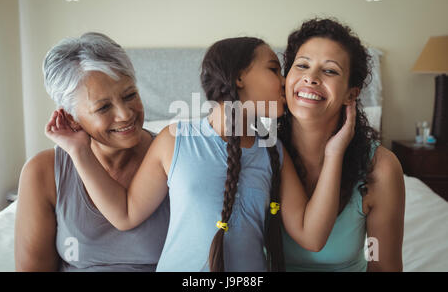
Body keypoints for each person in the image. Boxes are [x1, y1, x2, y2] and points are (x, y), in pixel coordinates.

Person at [45, 36, 356, 271]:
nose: (286, 81)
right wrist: (78, 150)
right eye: (274, 69)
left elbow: (312, 237)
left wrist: (335, 153)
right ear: (239, 78)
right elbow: (125, 215)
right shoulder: (175, 140)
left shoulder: (273, 151)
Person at [14, 32, 170, 271]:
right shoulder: (42, 173)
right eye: (103, 107)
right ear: (71, 118)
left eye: (130, 95)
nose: (125, 114)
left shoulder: (174, 158)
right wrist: (80, 152)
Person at [280, 18, 405, 272]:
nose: (311, 78)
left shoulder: (380, 168)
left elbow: (383, 267)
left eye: (330, 71)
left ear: (351, 93)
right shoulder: (257, 155)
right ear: (286, 79)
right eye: (302, 65)